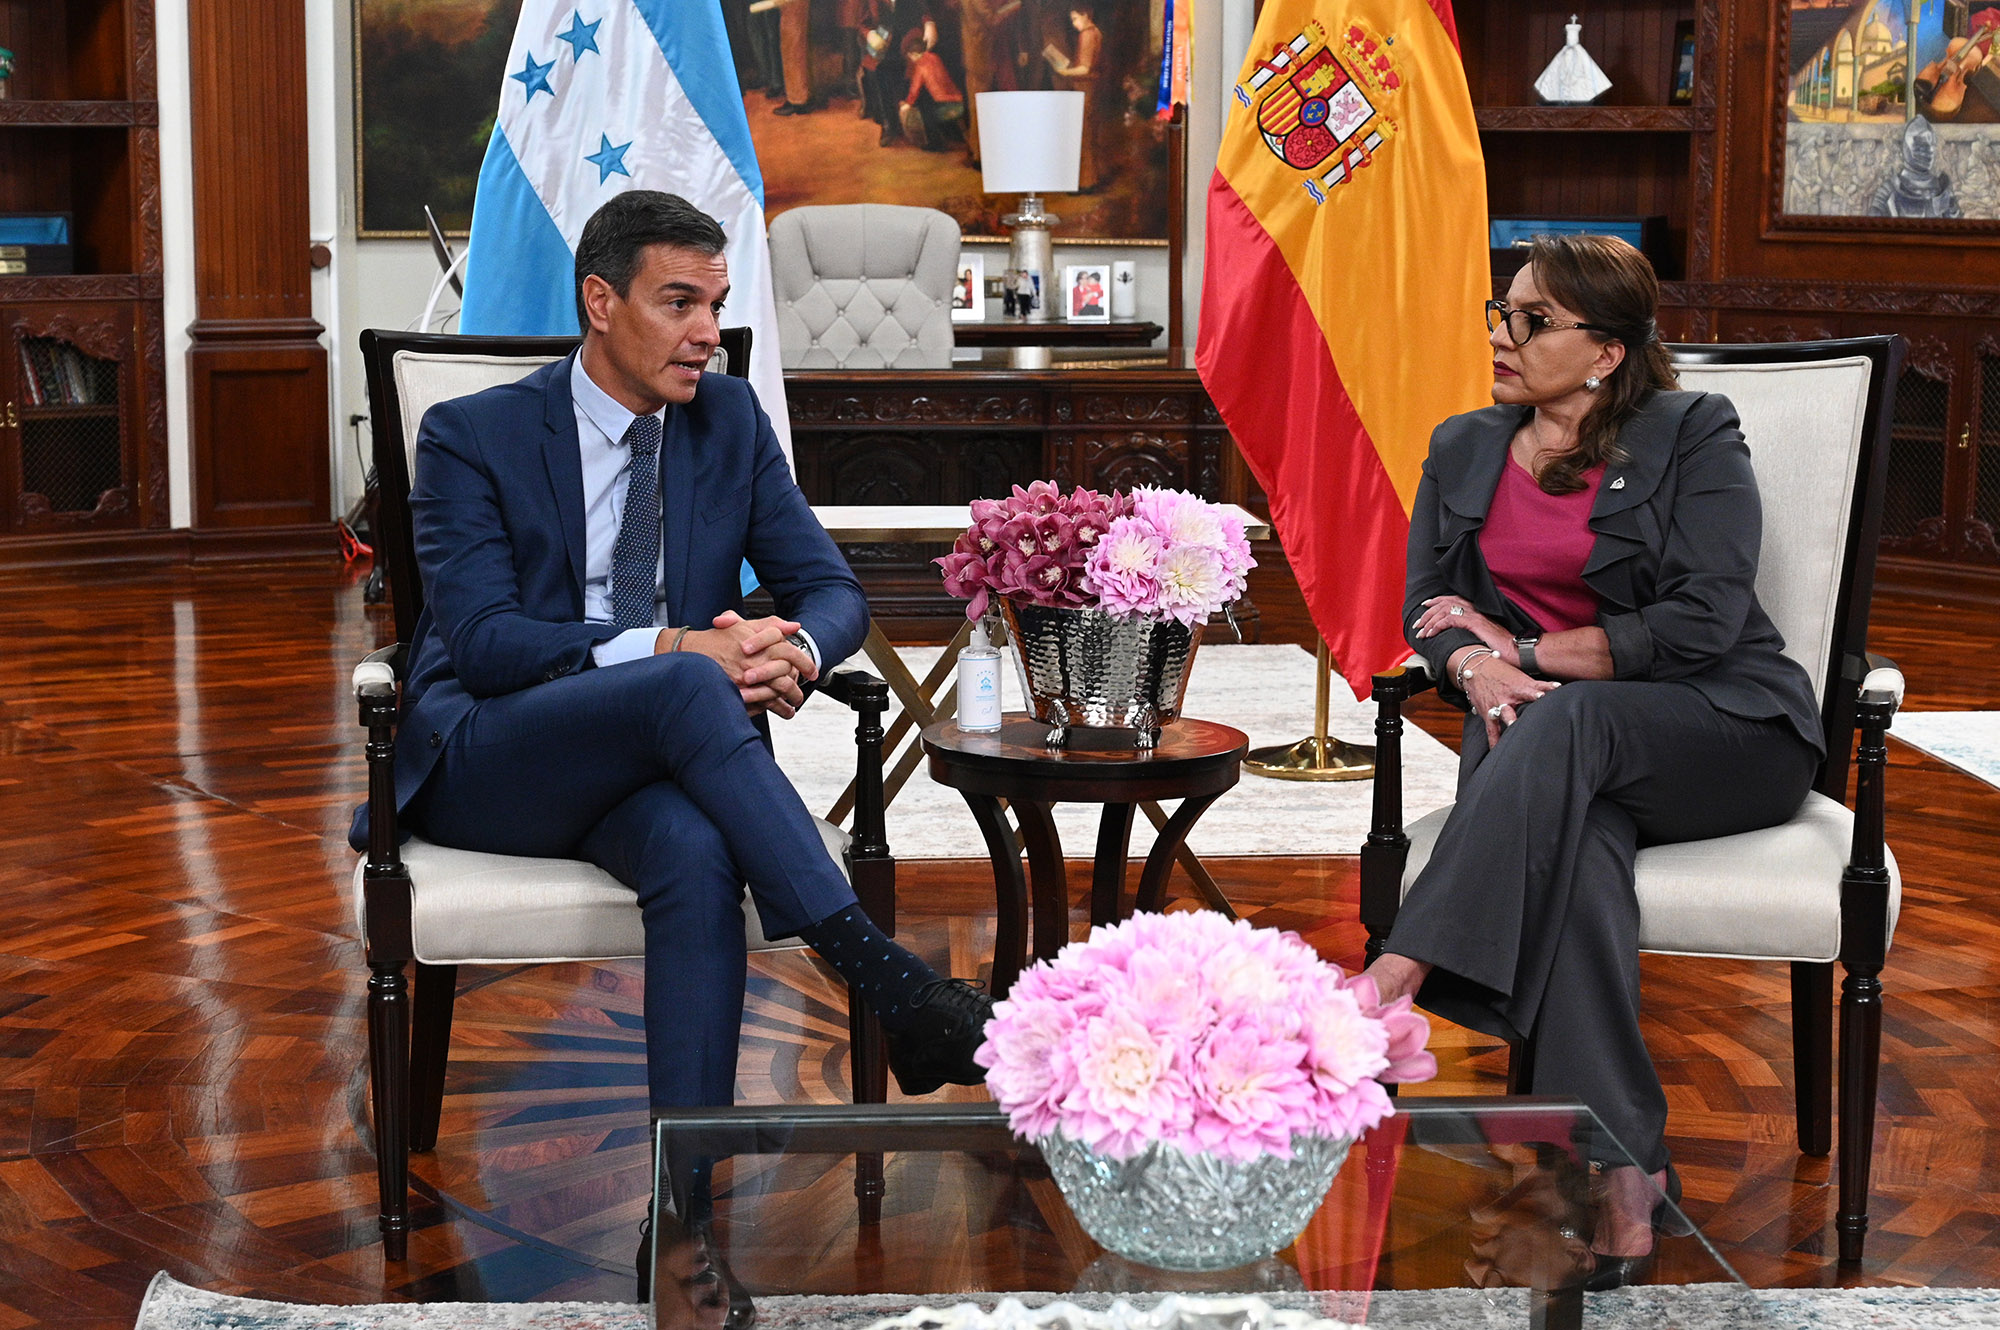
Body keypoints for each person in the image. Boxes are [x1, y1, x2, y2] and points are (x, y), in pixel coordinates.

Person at [350, 191, 994, 1127]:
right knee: (690, 679)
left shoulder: (727, 420)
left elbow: (833, 592)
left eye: (718, 305)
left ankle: (685, 1211)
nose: (708, 333)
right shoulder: (471, 434)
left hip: (662, 758)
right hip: (495, 755)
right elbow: (485, 644)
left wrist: (792, 650)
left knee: (695, 853)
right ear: (601, 301)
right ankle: (890, 984)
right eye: (679, 302)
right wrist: (680, 647)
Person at [1362, 234, 1823, 1287]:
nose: (1501, 337)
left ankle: (1399, 965)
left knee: (1562, 720)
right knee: (1574, 858)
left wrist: (1514, 651)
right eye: (1499, 312)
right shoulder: (1464, 445)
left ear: (1605, 351)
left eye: (1530, 321)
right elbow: (1426, 609)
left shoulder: (1690, 431)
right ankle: (1624, 1175)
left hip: (1720, 728)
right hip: (1546, 748)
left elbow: (1702, 621)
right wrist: (1471, 666)